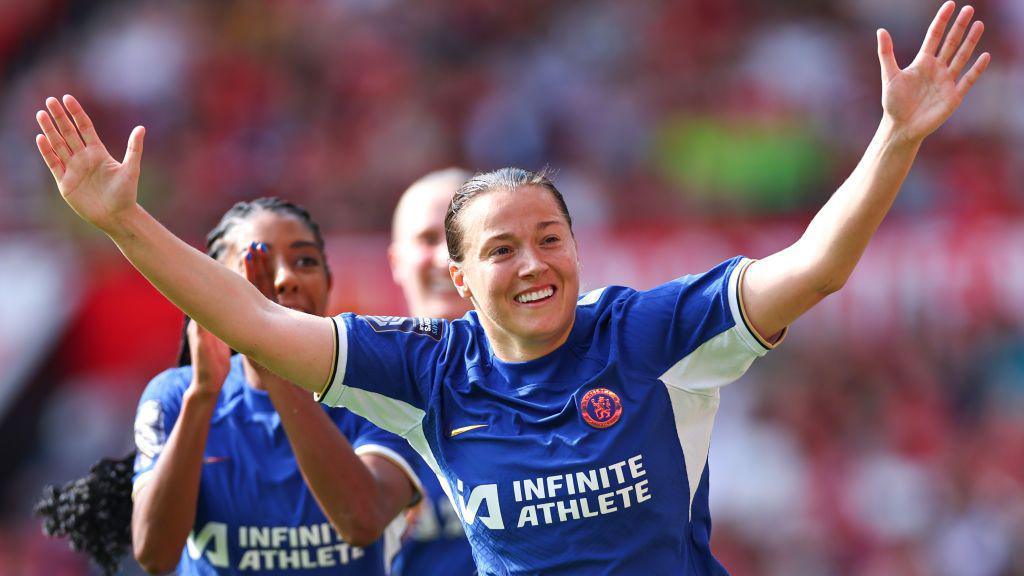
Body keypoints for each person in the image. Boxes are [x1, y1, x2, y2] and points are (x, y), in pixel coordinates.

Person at [34, 3, 989, 573]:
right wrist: (122, 218)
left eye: (550, 238)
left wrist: (897, 137)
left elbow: (816, 266)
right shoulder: (422, 371)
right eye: (502, 250)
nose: (533, 263)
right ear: (457, 277)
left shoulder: (652, 335)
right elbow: (243, 314)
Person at [38, 198, 424, 576]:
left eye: (304, 261)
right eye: (256, 263)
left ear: (328, 280)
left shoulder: (378, 391)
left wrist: (272, 363)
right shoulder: (175, 395)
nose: (285, 277)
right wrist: (202, 398)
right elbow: (155, 555)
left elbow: (362, 522)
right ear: (214, 290)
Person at [387, 169, 477, 575]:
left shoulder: (557, 386)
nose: (445, 257)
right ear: (396, 261)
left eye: (460, 237)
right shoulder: (350, 394)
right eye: (427, 239)